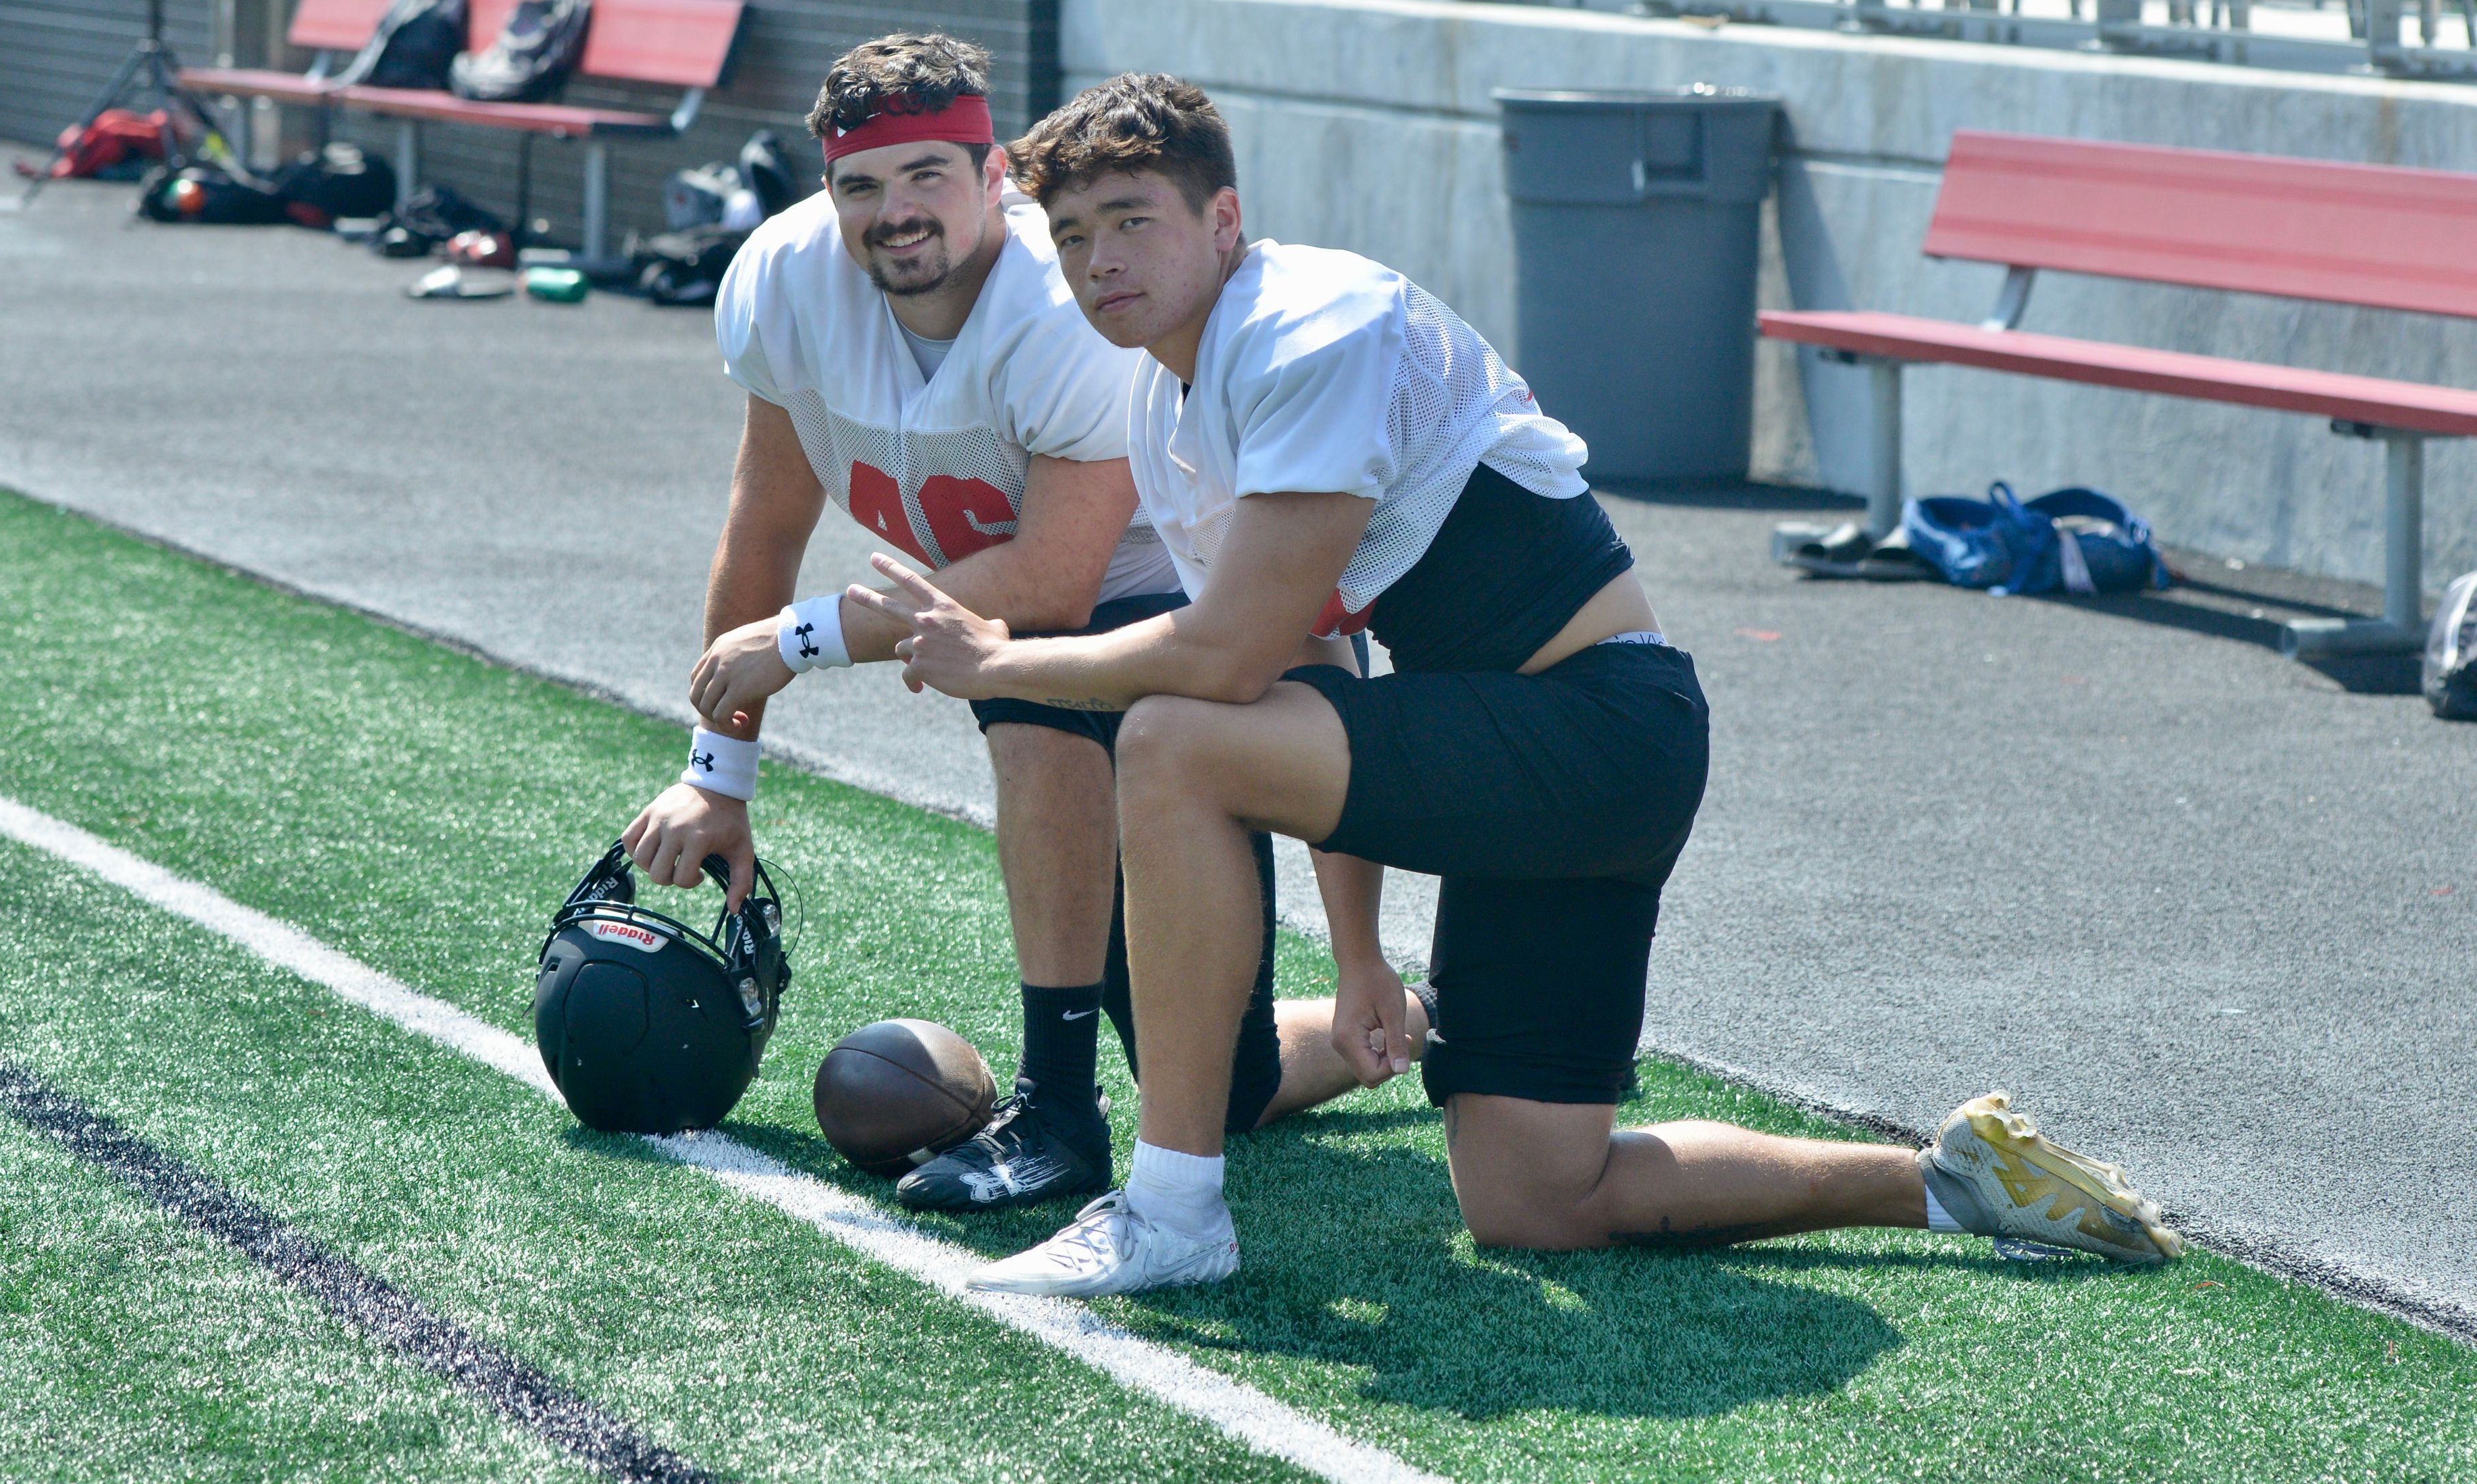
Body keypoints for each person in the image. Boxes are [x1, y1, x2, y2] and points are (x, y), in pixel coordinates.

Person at [855, 72, 2186, 1294]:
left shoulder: (1307, 321)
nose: (1099, 261)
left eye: (1130, 220)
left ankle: (1172, 1208)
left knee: (1167, 735)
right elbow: (1314, 657)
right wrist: (1366, 959)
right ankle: (1949, 1179)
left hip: (1593, 728)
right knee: (1541, 1199)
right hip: (1540, 757)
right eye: (1073, 235)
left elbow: (1223, 663)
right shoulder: (1169, 401)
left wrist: (998, 658)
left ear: (1223, 218)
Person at [620, 37, 1420, 1213]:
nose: (895, 214)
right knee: (1233, 1084)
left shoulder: (1060, 301)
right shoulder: (786, 281)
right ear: (826, 190)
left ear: (991, 173)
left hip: (1175, 608)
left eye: (927, 177)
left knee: (1025, 676)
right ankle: (1425, 1013)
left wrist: (813, 635)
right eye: (861, 186)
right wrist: (716, 774)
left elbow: (1052, 580)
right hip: (1012, 616)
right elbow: (764, 528)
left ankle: (1054, 1107)